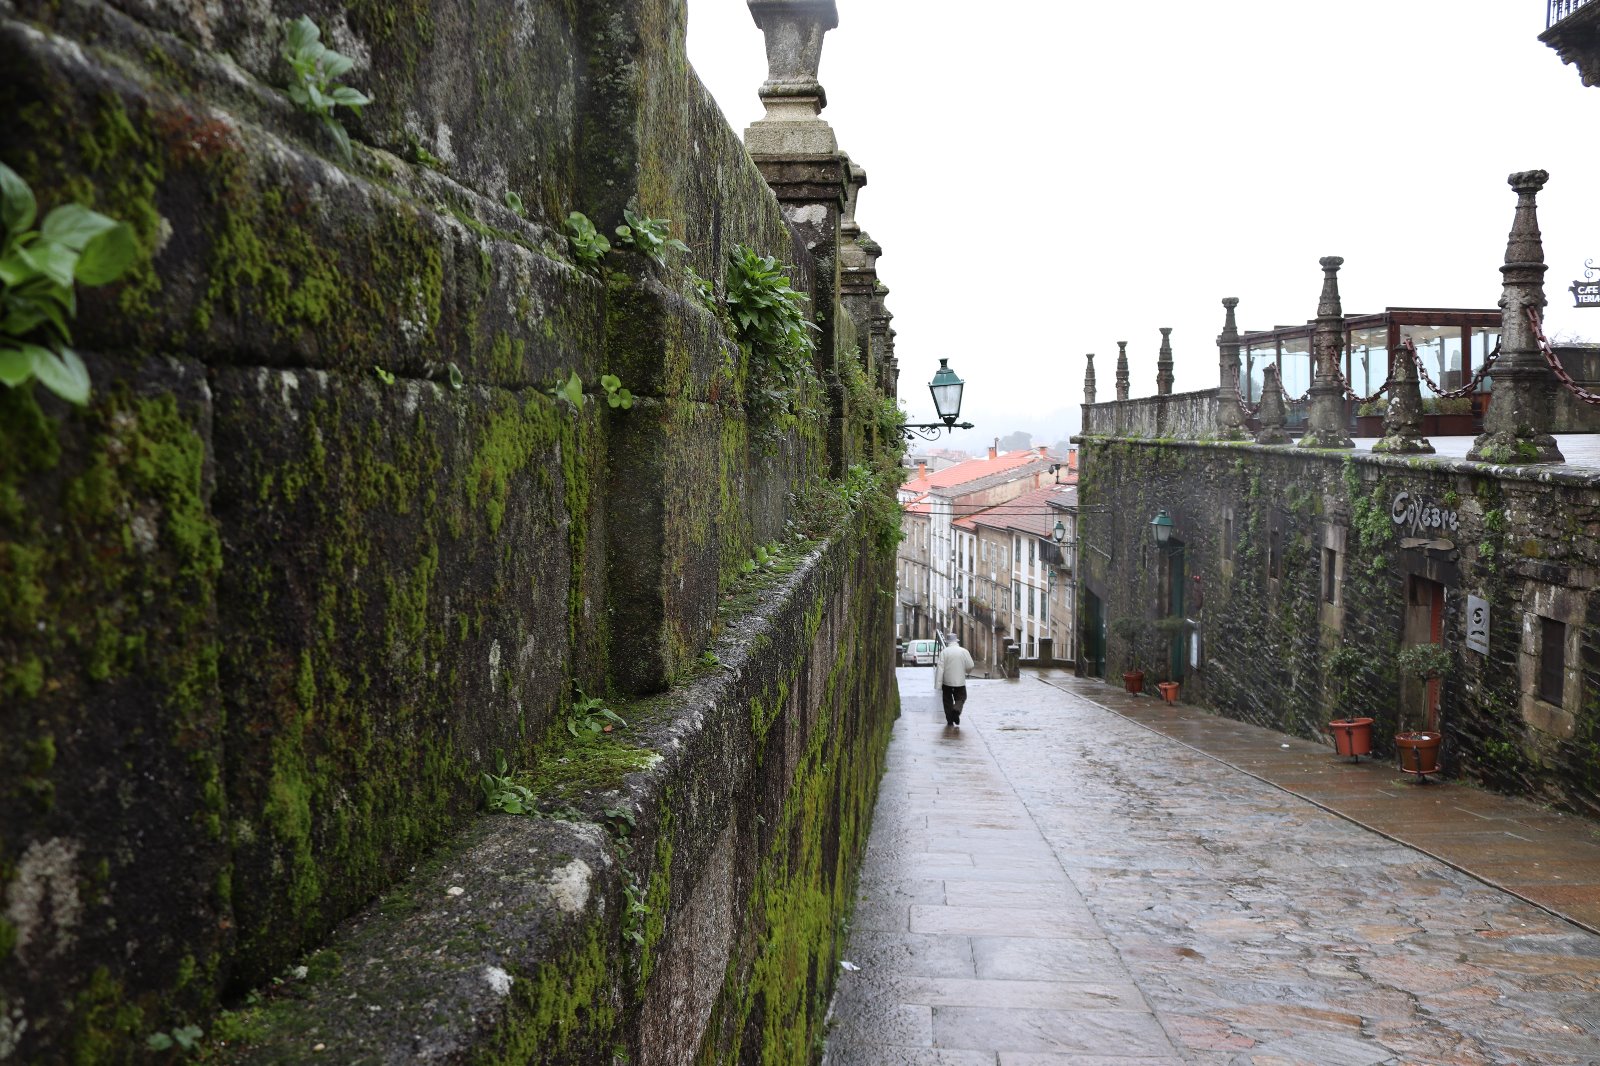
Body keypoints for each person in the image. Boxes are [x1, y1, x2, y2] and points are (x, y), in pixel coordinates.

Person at [933, 635, 975, 727]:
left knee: (947, 700)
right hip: (960, 680)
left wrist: (938, 684)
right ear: (957, 641)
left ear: (948, 642)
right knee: (961, 697)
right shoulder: (964, 651)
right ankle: (956, 710)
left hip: (946, 681)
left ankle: (949, 720)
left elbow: (940, 668)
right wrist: (966, 671)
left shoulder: (944, 652)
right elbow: (970, 665)